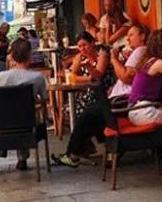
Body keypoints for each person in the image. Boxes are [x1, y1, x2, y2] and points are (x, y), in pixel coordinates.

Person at [53, 24, 149, 168]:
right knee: (89, 114)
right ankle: (87, 151)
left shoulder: (131, 52)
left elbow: (124, 77)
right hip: (115, 98)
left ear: (142, 36)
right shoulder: (136, 53)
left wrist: (114, 59)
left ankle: (75, 154)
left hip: (121, 100)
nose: (127, 39)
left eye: (131, 35)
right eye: (79, 46)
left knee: (88, 114)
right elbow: (70, 75)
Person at [0, 38, 48, 170]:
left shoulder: (0, 77)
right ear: (30, 55)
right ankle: (22, 158)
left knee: (13, 111)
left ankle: (1, 147)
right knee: (25, 114)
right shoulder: (38, 77)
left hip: (3, 125)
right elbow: (45, 98)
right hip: (28, 123)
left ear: (12, 56)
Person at [70, 31, 113, 116]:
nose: (82, 49)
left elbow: (98, 76)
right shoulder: (80, 57)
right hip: (87, 93)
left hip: (102, 92)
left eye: (85, 45)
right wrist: (88, 79)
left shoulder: (102, 54)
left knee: (79, 109)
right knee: (70, 108)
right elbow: (71, 77)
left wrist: (88, 67)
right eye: (79, 46)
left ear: (92, 43)